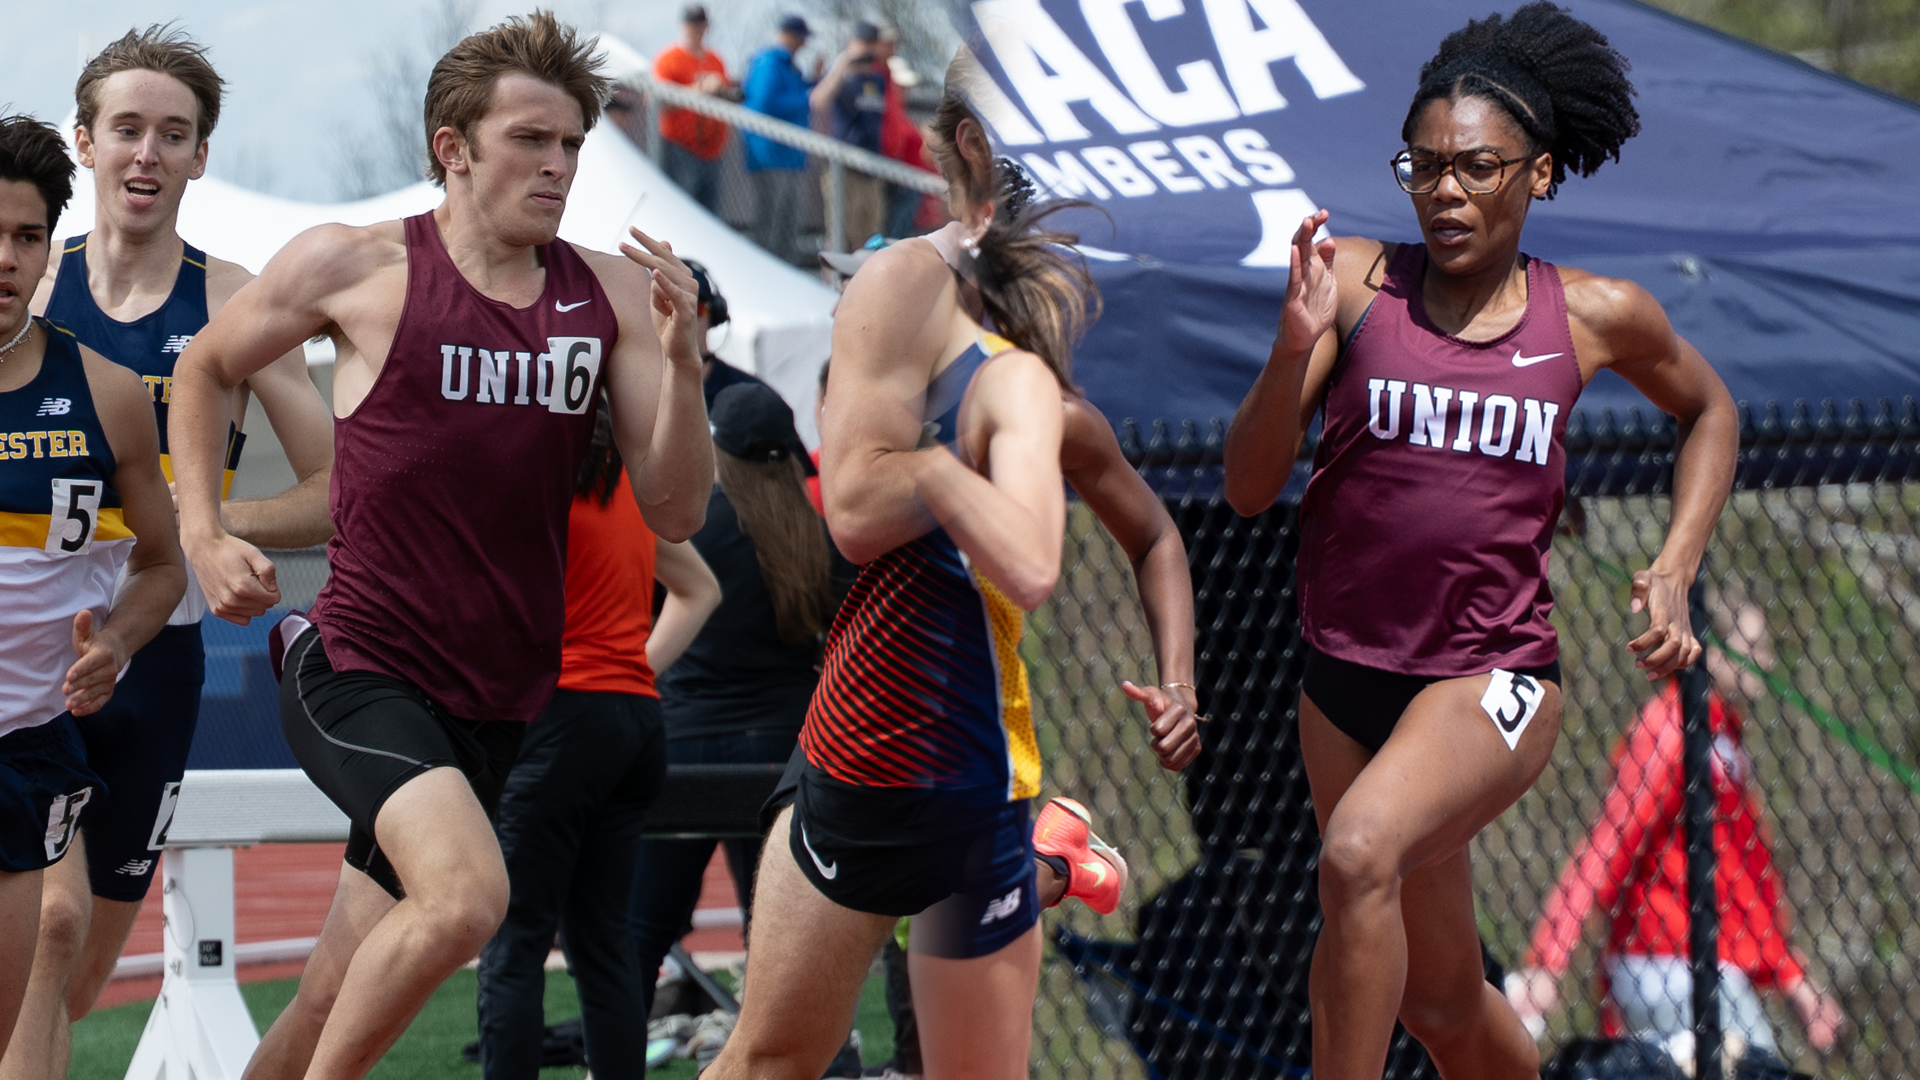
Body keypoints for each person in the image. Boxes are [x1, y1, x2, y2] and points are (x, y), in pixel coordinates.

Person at [166, 14, 713, 1080]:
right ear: (452, 147)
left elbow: (678, 511)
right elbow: (204, 368)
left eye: (571, 144)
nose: (558, 165)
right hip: (360, 666)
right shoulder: (356, 264)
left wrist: (687, 369)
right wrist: (202, 529)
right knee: (466, 899)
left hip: (500, 697)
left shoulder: (607, 296)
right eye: (530, 139)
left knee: (332, 986)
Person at [1219, 6, 1739, 1079]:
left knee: (1357, 853)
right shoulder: (1357, 285)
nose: (1445, 191)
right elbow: (1247, 486)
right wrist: (1288, 348)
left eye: (1476, 167)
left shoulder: (1594, 314)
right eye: (1424, 166)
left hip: (1491, 679)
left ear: (1538, 175)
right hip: (1343, 682)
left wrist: (1676, 564)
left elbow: (1711, 411)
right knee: (1443, 1002)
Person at [705, 51, 1181, 1079]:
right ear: (974, 142)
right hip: (870, 750)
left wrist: (1178, 679)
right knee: (774, 1060)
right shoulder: (904, 284)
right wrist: (964, 452)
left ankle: (1050, 857)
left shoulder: (1048, 363)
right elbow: (856, 515)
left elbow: (1152, 534)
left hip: (986, 768)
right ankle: (1056, 860)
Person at [3, 30, 336, 1080]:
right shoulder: (26, 290)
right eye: (127, 129)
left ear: (200, 156)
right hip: (37, 663)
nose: (147, 153)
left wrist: (213, 522)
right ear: (85, 142)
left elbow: (344, 490)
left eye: (174, 134)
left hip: (161, 656)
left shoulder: (237, 301)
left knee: (78, 976)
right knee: (47, 933)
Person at [0, 112, 185, 1063]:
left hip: (25, 748)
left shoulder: (108, 393)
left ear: (48, 250)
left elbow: (162, 564)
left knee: (32, 981)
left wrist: (115, 641)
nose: (5, 258)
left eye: (26, 236)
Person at [476, 394, 720, 1080]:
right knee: (603, 944)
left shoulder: (533, 488)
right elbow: (701, 590)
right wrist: (633, 667)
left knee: (515, 942)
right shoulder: (632, 493)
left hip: (559, 722)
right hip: (633, 722)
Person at [1509, 602, 1845, 1064]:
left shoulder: (1725, 740)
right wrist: (1549, 960)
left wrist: (1793, 979)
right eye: (1752, 647)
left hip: (1711, 964)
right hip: (1661, 961)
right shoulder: (1670, 727)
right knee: (1756, 1066)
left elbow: (1744, 881)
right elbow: (1610, 842)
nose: (1765, 661)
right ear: (1710, 650)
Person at [629, 381, 847, 1019]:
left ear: (718, 452)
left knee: (642, 926)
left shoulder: (688, 532)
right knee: (773, 926)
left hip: (684, 744)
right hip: (783, 750)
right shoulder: (815, 535)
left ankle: (611, 1057)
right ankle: (771, 1050)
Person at [742, 16, 813, 264]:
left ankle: (783, 276)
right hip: (770, 156)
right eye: (801, 36)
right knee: (769, 225)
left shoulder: (790, 66)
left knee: (787, 227)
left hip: (790, 158)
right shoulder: (768, 62)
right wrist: (807, 98)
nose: (803, 43)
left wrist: (813, 83)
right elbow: (763, 103)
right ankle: (759, 273)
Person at [809, 22, 888, 246]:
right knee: (839, 234)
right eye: (863, 43)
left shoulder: (878, 79)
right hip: (843, 167)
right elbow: (817, 101)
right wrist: (843, 63)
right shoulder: (841, 77)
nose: (868, 48)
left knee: (870, 236)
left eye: (871, 43)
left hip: (871, 166)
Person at [653, 5, 732, 216]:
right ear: (682, 26)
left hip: (713, 150)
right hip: (680, 148)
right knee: (681, 210)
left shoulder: (715, 60)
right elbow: (660, 100)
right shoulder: (669, 58)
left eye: (699, 23)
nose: (695, 29)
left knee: (708, 215)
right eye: (691, 23)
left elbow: (726, 96)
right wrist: (700, 89)